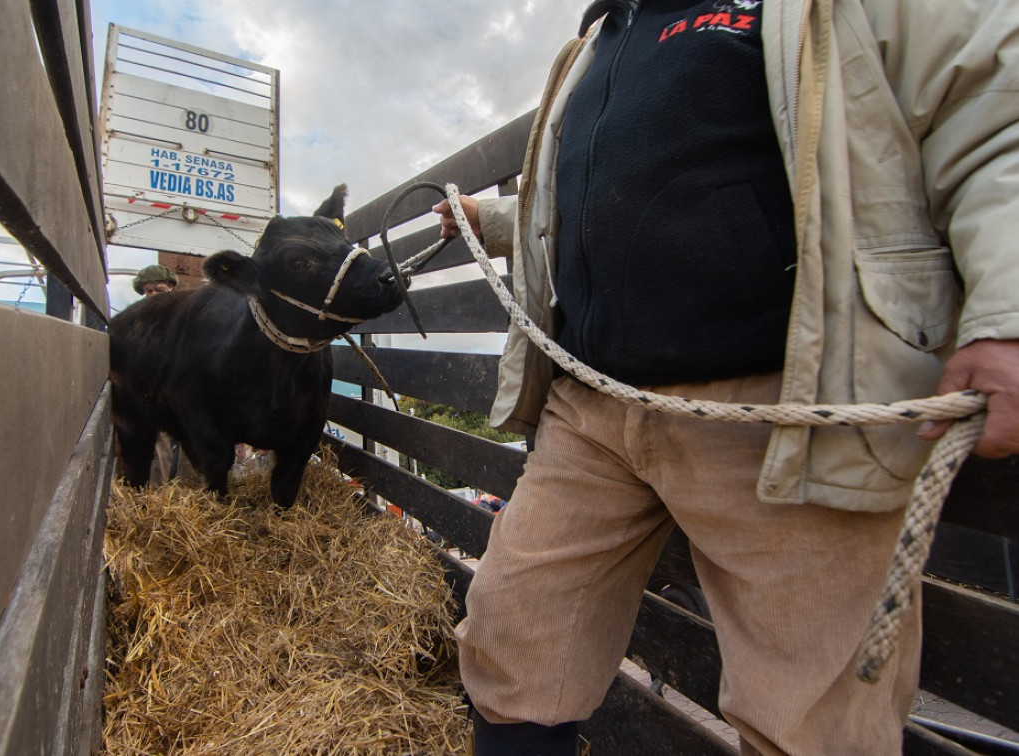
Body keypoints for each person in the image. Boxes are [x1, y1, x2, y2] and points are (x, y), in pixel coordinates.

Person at [433, 1, 1019, 754]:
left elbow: (991, 113)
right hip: (591, 410)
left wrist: (1006, 314)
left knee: (809, 719)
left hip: (783, 407)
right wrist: (494, 220)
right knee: (513, 630)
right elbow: (592, 200)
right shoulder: (593, 44)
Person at [131, 264, 195, 485]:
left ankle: (195, 500)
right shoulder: (138, 324)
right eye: (148, 291)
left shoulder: (187, 320)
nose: (153, 295)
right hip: (154, 394)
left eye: (159, 289)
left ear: (171, 290)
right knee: (158, 443)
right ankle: (157, 500)